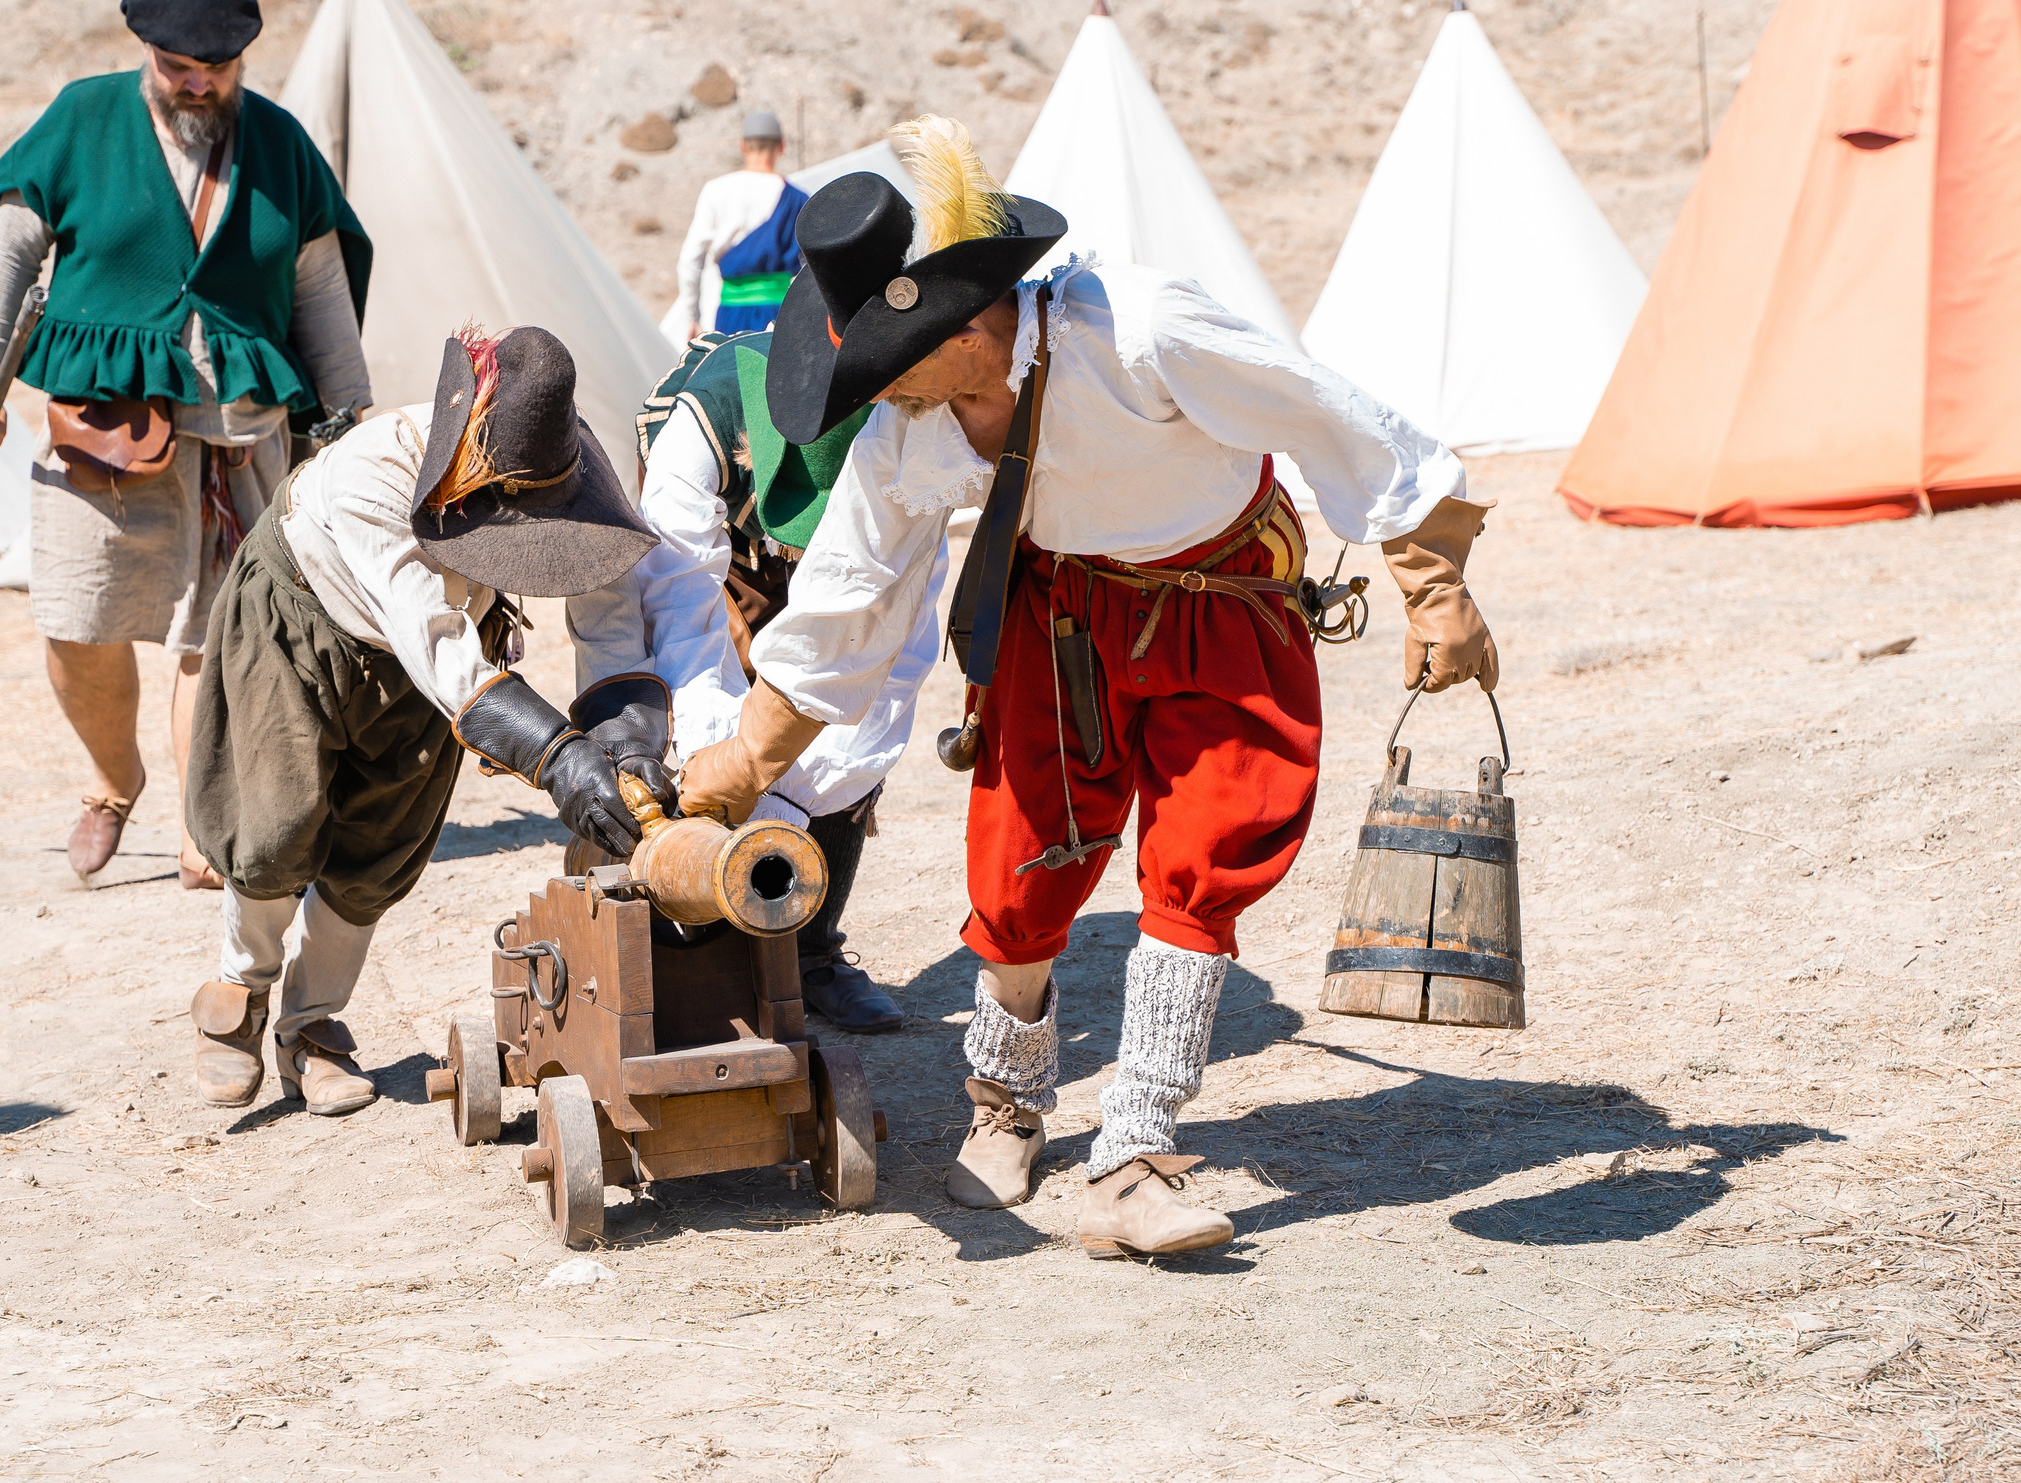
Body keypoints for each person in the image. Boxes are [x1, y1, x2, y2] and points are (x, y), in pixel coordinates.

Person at [677, 117, 1499, 1259]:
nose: (875, 391)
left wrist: (1431, 579)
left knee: (1204, 860)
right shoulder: (906, 429)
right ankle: (1005, 1103)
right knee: (1017, 871)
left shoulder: (1145, 329)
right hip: (1057, 613)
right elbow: (846, 603)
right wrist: (742, 764)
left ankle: (1134, 1156)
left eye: (884, 363)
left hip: (1222, 599)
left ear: (967, 324)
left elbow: (1329, 414)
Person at [0, 0, 373, 891]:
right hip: (103, 425)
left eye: (218, 67)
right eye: (178, 65)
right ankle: (113, 781)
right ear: (145, 51)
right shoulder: (85, 117)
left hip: (240, 431)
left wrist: (348, 415)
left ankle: (205, 823)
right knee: (77, 621)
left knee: (219, 633)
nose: (199, 82)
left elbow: (318, 280)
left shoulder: (277, 142)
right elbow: (10, 243)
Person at [183, 325, 668, 1116]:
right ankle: (238, 993)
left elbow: (608, 608)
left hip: (435, 655)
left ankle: (308, 1027)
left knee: (381, 851)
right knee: (275, 834)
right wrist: (557, 756)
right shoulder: (373, 477)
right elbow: (437, 644)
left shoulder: (566, 458)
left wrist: (624, 738)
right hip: (307, 622)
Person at [608, 320, 948, 1032]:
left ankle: (813, 953)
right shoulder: (697, 438)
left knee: (828, 718)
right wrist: (722, 765)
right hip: (725, 554)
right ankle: (708, 941)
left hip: (863, 566)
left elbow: (884, 675)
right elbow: (682, 622)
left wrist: (786, 790)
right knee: (714, 726)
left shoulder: (916, 442)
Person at [662, 111, 806, 341]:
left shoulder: (716, 190)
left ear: (743, 146)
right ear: (781, 146)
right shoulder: (797, 199)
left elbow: (690, 259)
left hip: (731, 314)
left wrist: (693, 316)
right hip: (782, 314)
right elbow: (809, 265)